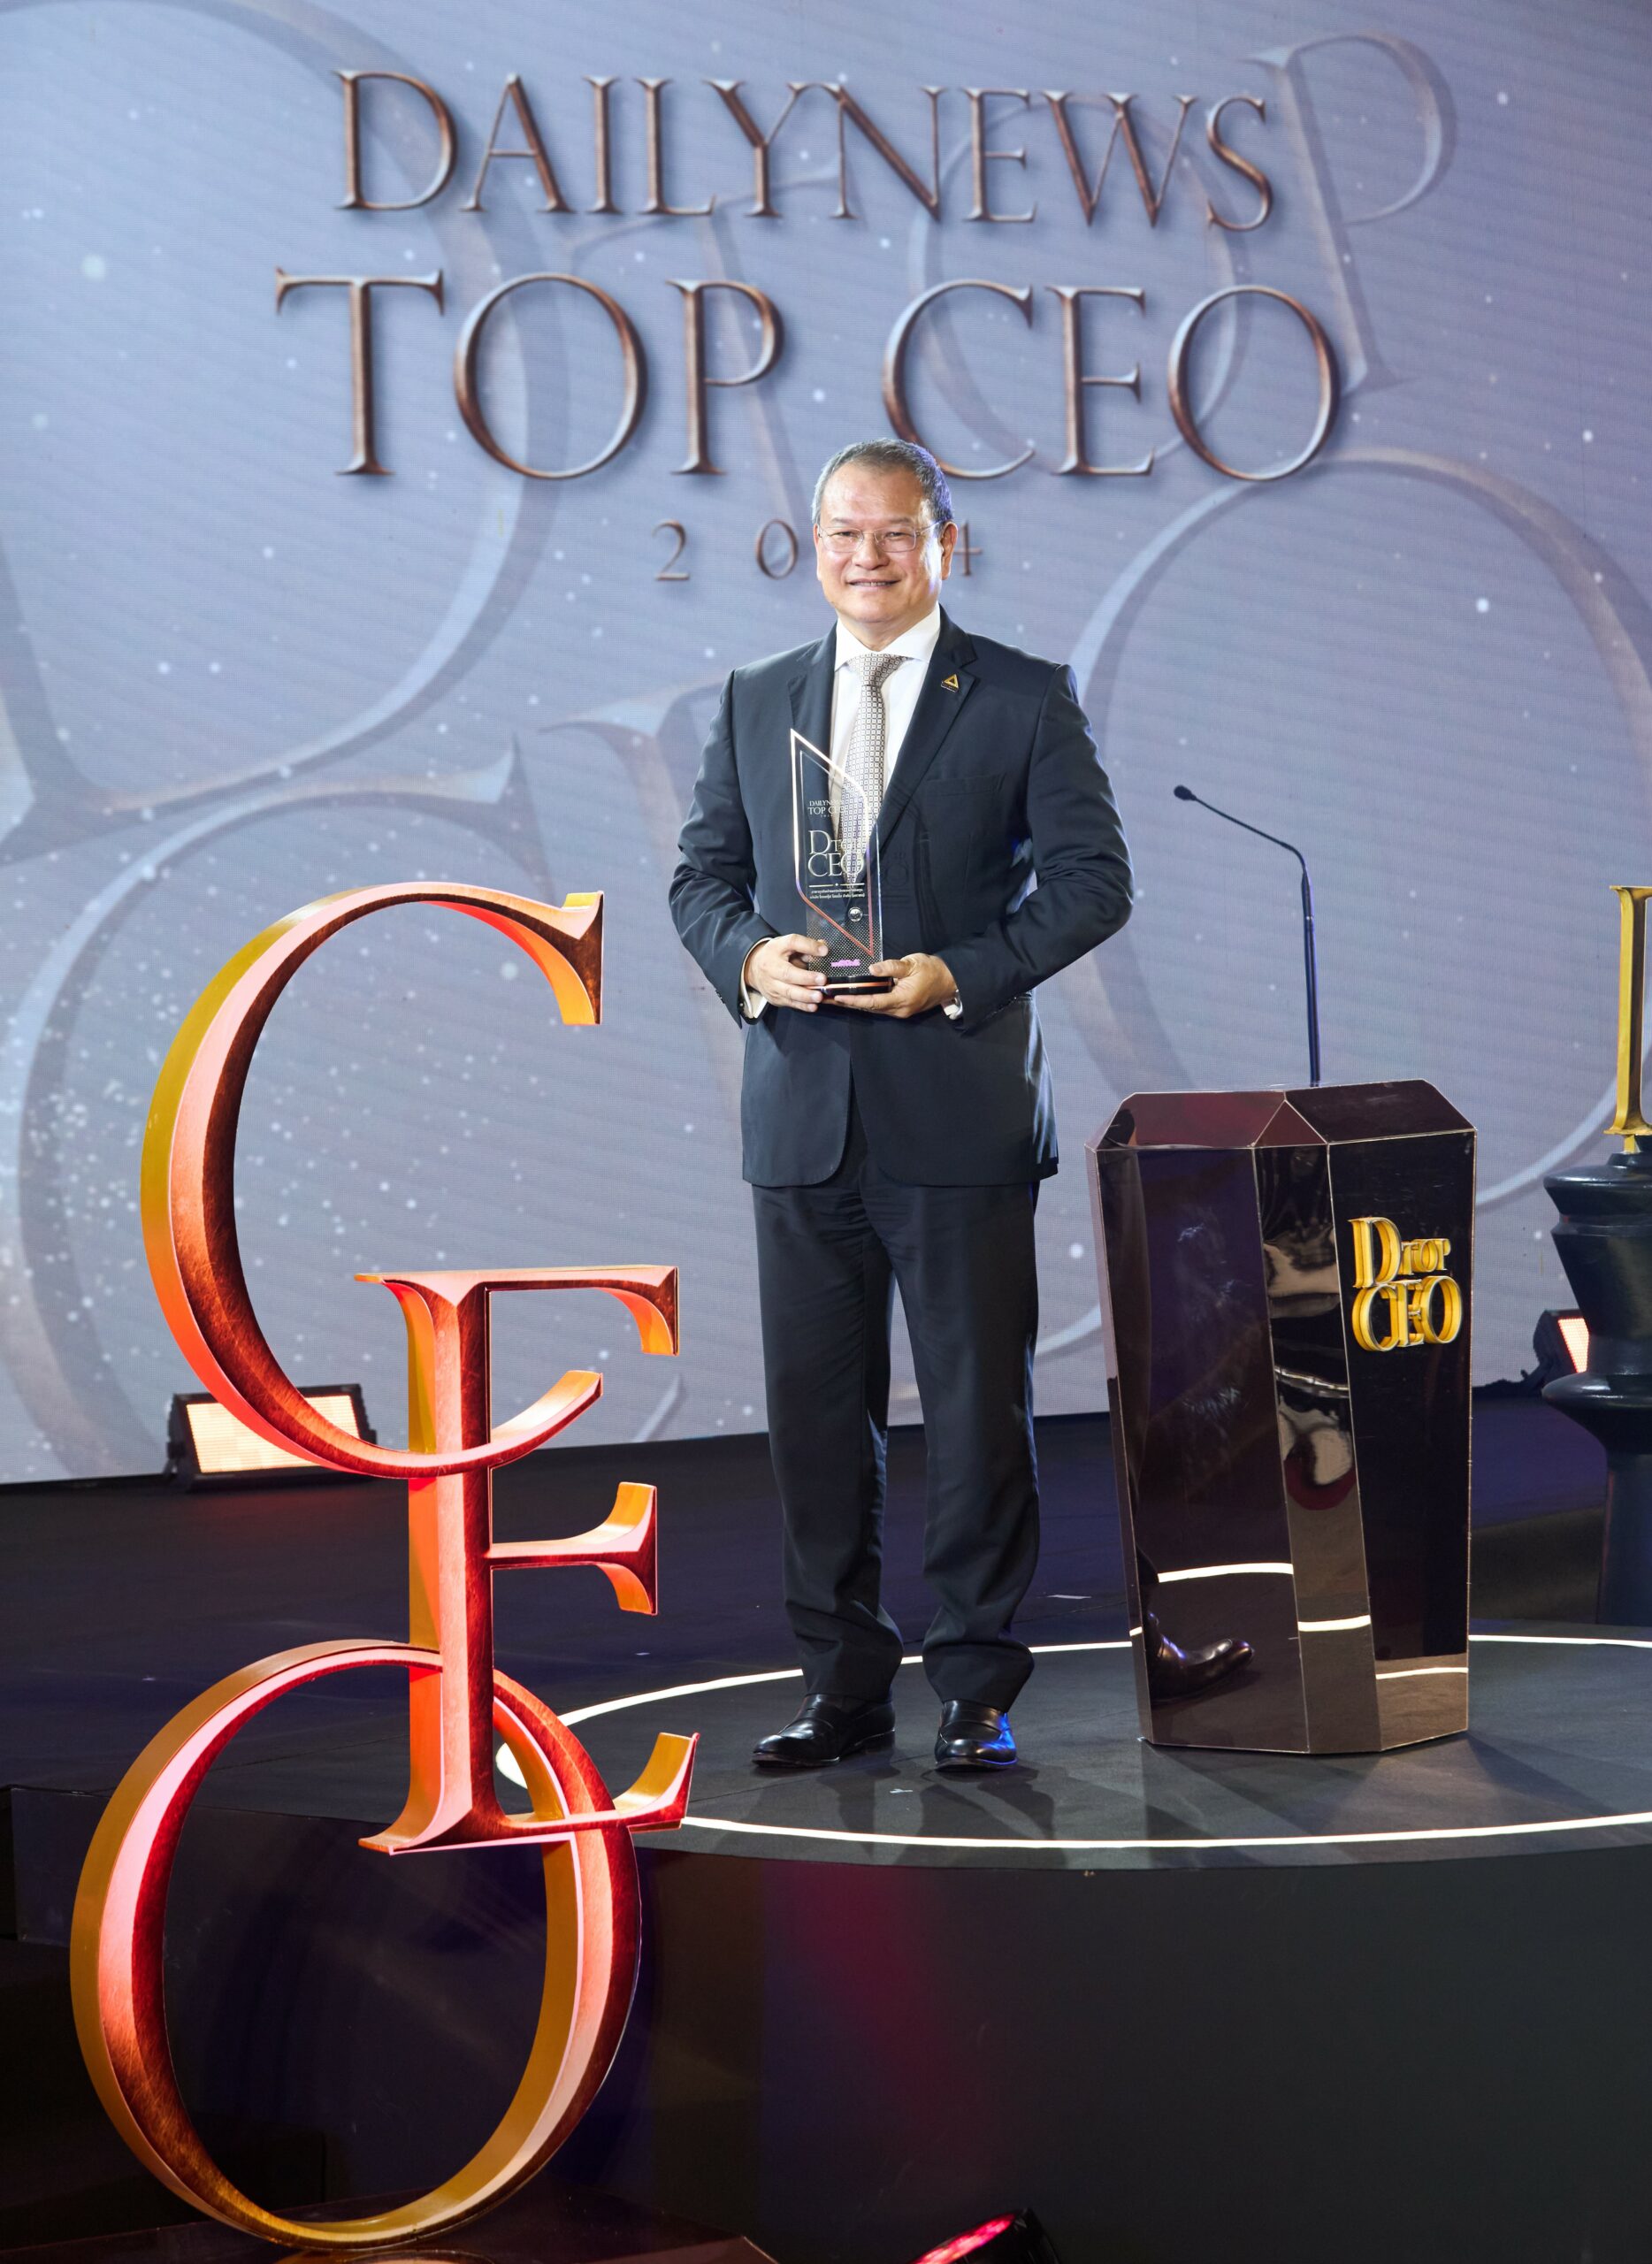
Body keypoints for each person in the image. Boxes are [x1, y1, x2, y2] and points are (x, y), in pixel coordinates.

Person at [669, 438, 1132, 1771]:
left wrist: (957, 974)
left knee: (979, 1415)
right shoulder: (758, 696)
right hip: (801, 1116)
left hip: (956, 1110)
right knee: (819, 1422)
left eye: (893, 534)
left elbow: (1094, 884)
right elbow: (702, 879)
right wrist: (750, 959)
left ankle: (976, 1688)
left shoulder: (1023, 696)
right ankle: (843, 1688)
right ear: (813, 544)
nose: (865, 556)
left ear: (944, 544)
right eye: (843, 533)